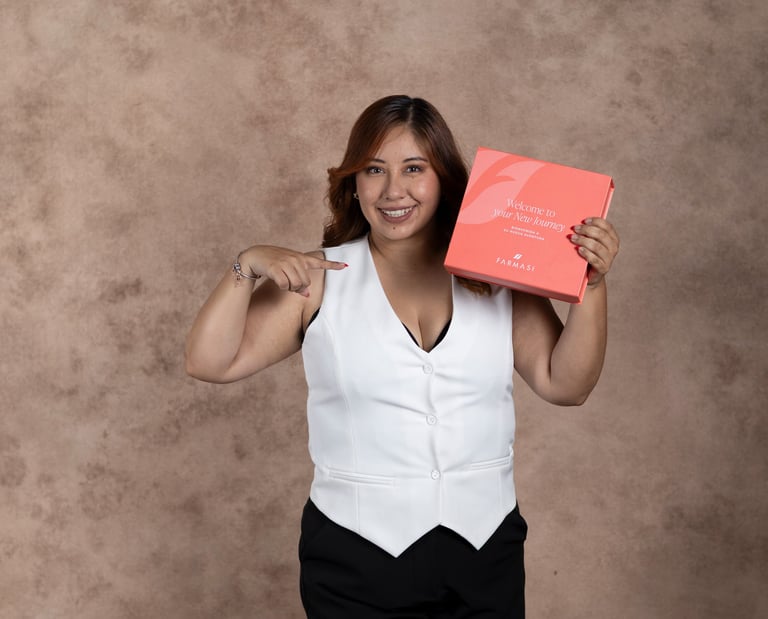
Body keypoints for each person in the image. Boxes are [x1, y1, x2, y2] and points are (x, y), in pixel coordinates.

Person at [185, 95, 619, 618]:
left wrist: (591, 285)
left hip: (486, 553)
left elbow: (566, 386)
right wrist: (246, 265)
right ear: (353, 183)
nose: (394, 190)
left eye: (414, 168)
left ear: (444, 179)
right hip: (354, 556)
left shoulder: (499, 275)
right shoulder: (318, 280)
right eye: (374, 170)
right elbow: (209, 362)